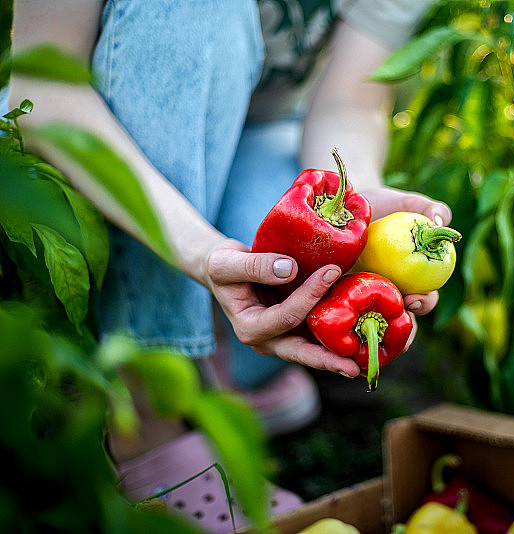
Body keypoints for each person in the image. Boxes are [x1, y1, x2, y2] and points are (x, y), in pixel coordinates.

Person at [9, 1, 447, 531]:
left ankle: (216, 371)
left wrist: (354, 211)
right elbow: (43, 93)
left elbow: (348, 106)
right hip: (88, 131)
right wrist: (203, 253)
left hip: (255, 135)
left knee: (289, 303)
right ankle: (147, 419)